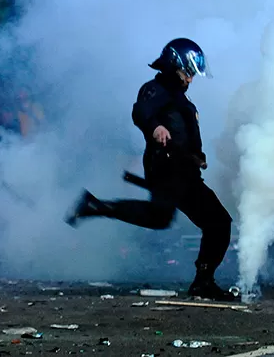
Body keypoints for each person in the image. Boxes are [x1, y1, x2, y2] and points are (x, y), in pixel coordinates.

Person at [65, 38, 235, 301]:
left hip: (183, 170)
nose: (190, 79)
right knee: (218, 222)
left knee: (161, 217)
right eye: (187, 72)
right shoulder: (155, 90)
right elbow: (141, 112)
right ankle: (203, 281)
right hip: (168, 169)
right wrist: (155, 127)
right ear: (172, 65)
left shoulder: (179, 96)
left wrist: (197, 156)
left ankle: (94, 206)